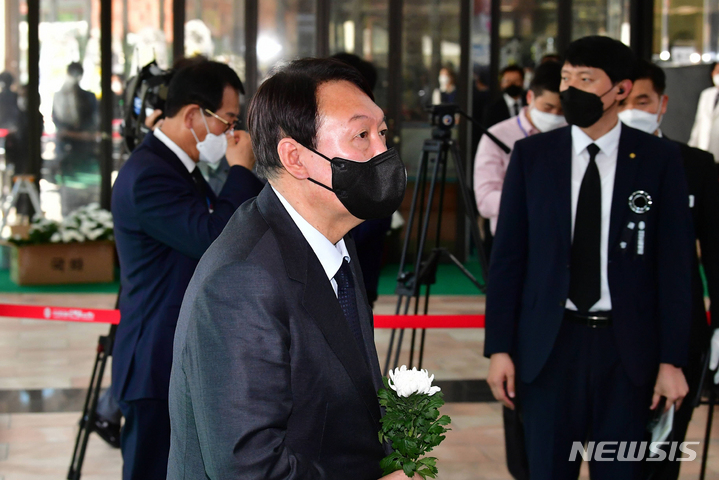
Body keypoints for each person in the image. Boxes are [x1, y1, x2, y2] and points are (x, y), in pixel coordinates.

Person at [167, 58, 411, 479]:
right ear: (295, 158)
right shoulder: (242, 280)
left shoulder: (334, 239)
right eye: (361, 136)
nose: (382, 152)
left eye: (383, 132)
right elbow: (248, 467)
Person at [485, 36, 694, 479]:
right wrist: (500, 348)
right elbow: (508, 259)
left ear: (620, 89)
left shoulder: (658, 159)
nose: (570, 89)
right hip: (550, 347)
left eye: (585, 79)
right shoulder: (532, 156)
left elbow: (676, 267)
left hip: (628, 352)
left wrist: (672, 360)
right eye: (565, 78)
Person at [111, 59, 263, 480]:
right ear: (194, 114)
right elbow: (213, 238)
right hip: (153, 363)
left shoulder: (174, 166)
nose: (232, 134)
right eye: (228, 120)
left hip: (172, 355)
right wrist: (239, 170)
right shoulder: (150, 175)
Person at [618, 59, 719, 480]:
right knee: (615, 454)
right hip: (612, 337)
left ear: (662, 104)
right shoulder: (600, 163)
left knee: (662, 456)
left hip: (679, 335)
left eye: (644, 100)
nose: (634, 110)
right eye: (626, 100)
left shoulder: (696, 165)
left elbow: (715, 253)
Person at [474, 60, 565, 237]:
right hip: (513, 236)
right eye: (548, 107)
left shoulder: (570, 132)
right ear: (530, 97)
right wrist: (535, 201)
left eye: (562, 110)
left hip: (559, 236)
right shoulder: (497, 136)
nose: (554, 116)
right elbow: (485, 200)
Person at [52, 62, 100, 215]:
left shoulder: (89, 97)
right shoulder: (60, 96)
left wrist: (80, 134)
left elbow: (93, 122)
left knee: (87, 197)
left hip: (85, 152)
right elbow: (58, 122)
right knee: (69, 196)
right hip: (68, 151)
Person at [689, 62, 719, 159]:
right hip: (704, 149)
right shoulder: (706, 94)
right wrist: (692, 147)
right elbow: (699, 122)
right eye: (717, 71)